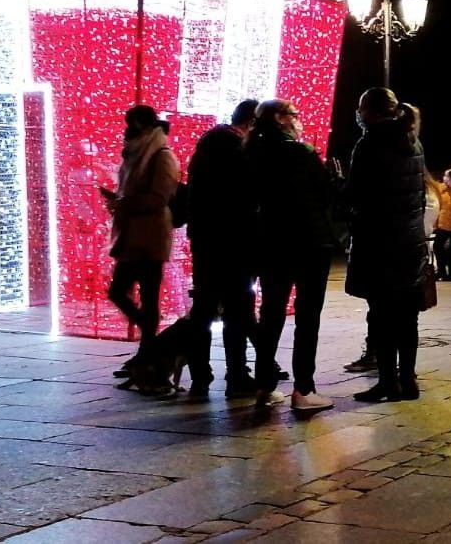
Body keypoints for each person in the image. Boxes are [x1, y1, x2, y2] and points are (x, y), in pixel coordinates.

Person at [247, 99, 335, 412]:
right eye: (295, 114)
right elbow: (325, 194)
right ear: (280, 118)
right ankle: (303, 389)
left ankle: (264, 385)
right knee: (308, 315)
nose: (299, 120)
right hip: (309, 241)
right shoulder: (301, 152)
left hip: (271, 242)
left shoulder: (251, 152)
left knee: (270, 313)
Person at [344, 88, 427, 403]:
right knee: (407, 316)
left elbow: (356, 194)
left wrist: (339, 185)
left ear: (371, 112)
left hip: (380, 242)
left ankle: (388, 383)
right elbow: (417, 192)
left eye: (361, 108)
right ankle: (409, 381)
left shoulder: (370, 143)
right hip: (410, 240)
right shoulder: (413, 141)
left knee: (382, 315)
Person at [184, 99, 260, 400]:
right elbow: (247, 197)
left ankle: (199, 377)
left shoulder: (206, 146)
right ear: (252, 123)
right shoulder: (239, 150)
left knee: (203, 310)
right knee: (238, 310)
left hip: (205, 240)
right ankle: (237, 375)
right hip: (235, 241)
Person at [103, 105, 180, 369]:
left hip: (149, 235)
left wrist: (124, 203)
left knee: (146, 295)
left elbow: (159, 198)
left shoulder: (161, 155)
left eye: (134, 124)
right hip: (132, 234)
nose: (129, 129)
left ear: (146, 126)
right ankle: (151, 349)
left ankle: (150, 350)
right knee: (119, 292)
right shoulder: (136, 154)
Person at [432, 169, 451, 281]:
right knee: (438, 247)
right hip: (442, 224)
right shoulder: (441, 189)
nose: (443, 177)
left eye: (446, 176)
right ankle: (441, 272)